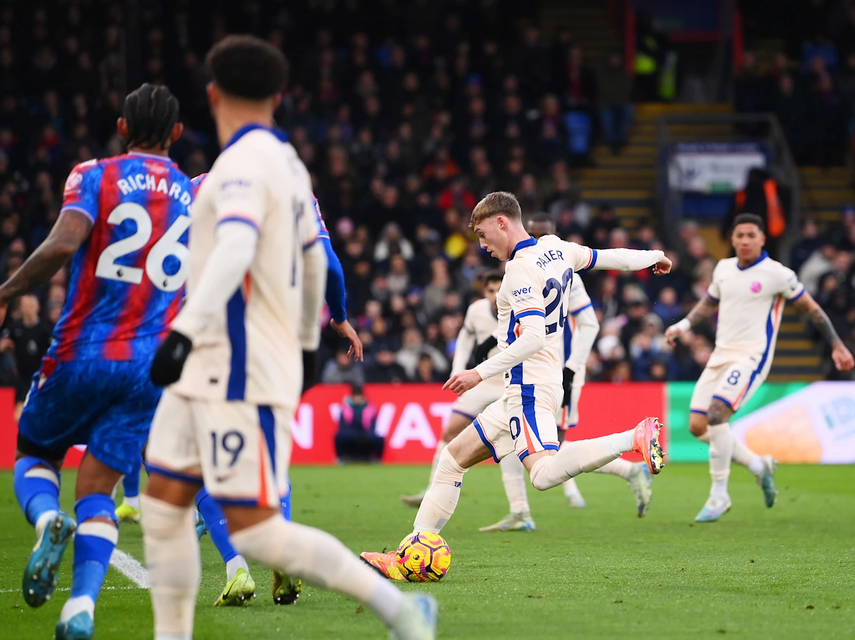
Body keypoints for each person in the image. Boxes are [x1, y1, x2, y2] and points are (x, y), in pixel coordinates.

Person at [140, 35, 436, 640]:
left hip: (229, 361)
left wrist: (183, 333)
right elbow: (323, 265)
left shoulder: (242, 165)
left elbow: (240, 246)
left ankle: (403, 612)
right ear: (278, 96)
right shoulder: (293, 169)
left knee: (253, 529)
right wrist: (311, 338)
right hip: (234, 360)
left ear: (212, 94)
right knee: (164, 498)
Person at [361, 191, 670, 580]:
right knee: (452, 458)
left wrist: (479, 372)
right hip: (528, 388)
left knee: (541, 475)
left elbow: (533, 338)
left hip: (527, 386)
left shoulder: (519, 270)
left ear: (502, 222)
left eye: (482, 233)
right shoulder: (556, 249)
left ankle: (632, 438)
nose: (481, 245)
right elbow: (609, 256)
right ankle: (412, 555)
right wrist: (653, 258)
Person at [7, 83, 192, 640]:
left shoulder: (94, 174)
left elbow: (65, 243)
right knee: (99, 488)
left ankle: (45, 519)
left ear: (121, 127)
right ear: (177, 134)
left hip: (83, 349)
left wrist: (5, 291)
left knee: (34, 451)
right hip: (148, 369)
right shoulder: (189, 191)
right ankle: (80, 607)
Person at [665, 213, 854, 523]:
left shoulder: (777, 274)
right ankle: (757, 465)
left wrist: (836, 344)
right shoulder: (723, 268)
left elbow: (812, 309)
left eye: (751, 235)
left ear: (762, 239)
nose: (744, 240)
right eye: (739, 235)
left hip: (751, 358)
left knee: (716, 415)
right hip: (719, 356)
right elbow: (709, 302)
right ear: (733, 239)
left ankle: (719, 494)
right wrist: (684, 324)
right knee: (698, 426)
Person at [480, 214, 654, 531]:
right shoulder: (524, 267)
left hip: (556, 370)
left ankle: (626, 469)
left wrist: (573, 367)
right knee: (522, 439)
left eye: (539, 234)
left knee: (550, 447)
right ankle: (522, 509)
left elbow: (589, 322)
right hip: (531, 367)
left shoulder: (562, 268)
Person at [399, 270, 505, 509]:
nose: (496, 295)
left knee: (528, 450)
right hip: (483, 382)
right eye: (490, 291)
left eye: (500, 289)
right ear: (483, 292)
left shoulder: (520, 306)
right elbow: (465, 337)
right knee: (449, 432)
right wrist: (457, 370)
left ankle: (527, 506)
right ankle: (431, 491)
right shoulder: (476, 311)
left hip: (512, 383)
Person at [1, 294, 51, 419]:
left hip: (39, 377)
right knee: (18, 414)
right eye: (26, 306)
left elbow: (53, 352)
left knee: (37, 412)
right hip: (22, 376)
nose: (28, 309)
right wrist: (5, 347)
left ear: (37, 307)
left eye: (31, 305)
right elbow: (4, 343)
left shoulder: (45, 330)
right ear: (21, 308)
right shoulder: (14, 328)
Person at [334, 384, 383, 462]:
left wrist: (365, 434)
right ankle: (340, 458)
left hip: (365, 433)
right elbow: (342, 427)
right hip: (350, 433)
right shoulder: (345, 409)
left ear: (362, 397)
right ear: (352, 397)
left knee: (379, 439)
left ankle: (377, 459)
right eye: (355, 396)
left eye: (359, 396)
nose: (357, 398)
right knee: (339, 436)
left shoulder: (370, 409)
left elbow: (372, 427)